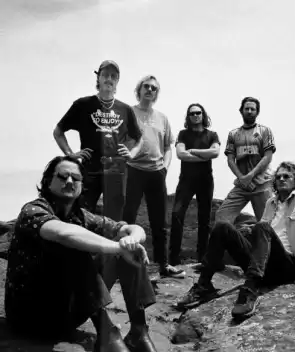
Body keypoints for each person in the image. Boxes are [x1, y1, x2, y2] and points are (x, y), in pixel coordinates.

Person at [5, 155, 170, 352]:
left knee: (129, 249)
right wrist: (118, 247)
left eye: (75, 178)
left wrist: (131, 240)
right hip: (30, 317)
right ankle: (107, 337)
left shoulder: (81, 216)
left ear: (82, 185)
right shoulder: (33, 210)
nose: (69, 182)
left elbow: (130, 228)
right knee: (74, 245)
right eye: (62, 176)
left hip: (66, 315)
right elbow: (63, 233)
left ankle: (138, 333)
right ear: (47, 181)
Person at [178, 161, 295, 320]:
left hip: (287, 267)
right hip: (264, 267)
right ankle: (203, 286)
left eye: (287, 176)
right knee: (222, 227)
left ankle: (249, 290)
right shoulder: (271, 203)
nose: (281, 179)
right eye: (278, 177)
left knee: (261, 227)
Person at [53, 60, 142, 221]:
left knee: (114, 219)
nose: (109, 79)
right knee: (81, 215)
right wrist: (70, 154)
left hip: (116, 170)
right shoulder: (82, 105)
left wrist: (132, 154)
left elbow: (139, 138)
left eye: (113, 76)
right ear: (98, 78)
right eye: (105, 75)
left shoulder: (125, 109)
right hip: (89, 170)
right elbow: (58, 132)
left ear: (117, 81)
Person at [123, 75, 185, 278]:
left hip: (156, 172)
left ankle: (163, 265)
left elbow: (168, 146)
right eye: (146, 86)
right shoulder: (128, 112)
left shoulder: (162, 117)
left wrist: (165, 168)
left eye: (154, 88)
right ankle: (123, 265)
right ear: (139, 90)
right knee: (127, 218)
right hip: (133, 170)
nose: (150, 90)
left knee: (159, 222)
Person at [169, 103, 220, 266]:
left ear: (203, 114)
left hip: (205, 180)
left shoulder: (212, 135)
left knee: (204, 219)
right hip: (186, 181)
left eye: (198, 113)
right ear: (188, 117)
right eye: (192, 114)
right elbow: (180, 154)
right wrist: (204, 156)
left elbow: (216, 152)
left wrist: (194, 151)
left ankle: (202, 258)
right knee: (176, 214)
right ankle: (173, 258)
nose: (195, 115)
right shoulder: (183, 134)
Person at [215, 97, 275, 224]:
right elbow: (230, 159)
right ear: (241, 111)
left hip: (262, 184)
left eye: (252, 109)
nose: (249, 111)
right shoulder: (233, 134)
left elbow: (268, 157)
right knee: (222, 216)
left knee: (266, 224)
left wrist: (250, 176)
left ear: (257, 112)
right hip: (242, 186)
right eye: (246, 108)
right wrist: (242, 178)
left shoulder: (265, 131)